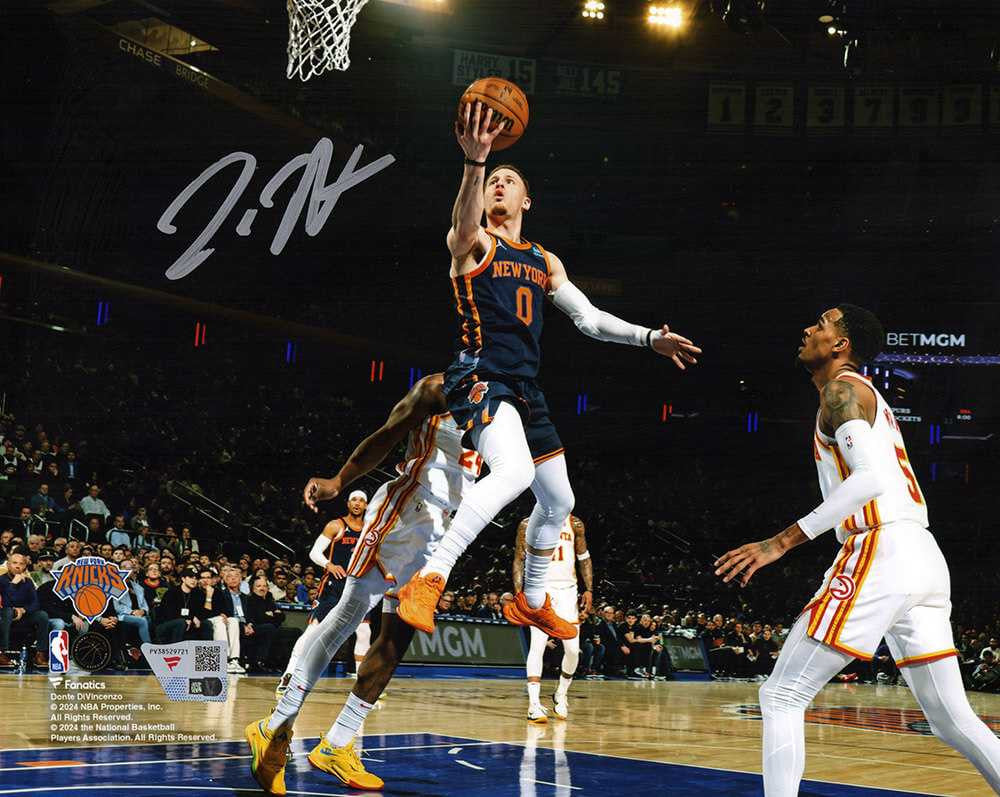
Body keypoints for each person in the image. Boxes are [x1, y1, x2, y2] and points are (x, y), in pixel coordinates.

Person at [394, 102, 701, 638]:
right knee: (512, 474)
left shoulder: (543, 259)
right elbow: (461, 225)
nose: (499, 184)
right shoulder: (473, 243)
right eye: (493, 180)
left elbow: (589, 319)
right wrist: (475, 162)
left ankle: (532, 600)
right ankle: (430, 577)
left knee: (560, 501)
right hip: (481, 376)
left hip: (524, 387)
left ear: (526, 201)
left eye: (508, 180)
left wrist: (649, 337)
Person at [714, 304, 1000, 795]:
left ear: (841, 344)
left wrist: (780, 542)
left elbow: (868, 480)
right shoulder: (863, 395)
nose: (808, 329)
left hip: (882, 547)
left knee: (782, 694)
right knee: (953, 720)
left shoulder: (841, 390)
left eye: (821, 325)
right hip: (922, 555)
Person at [247, 374, 482, 795]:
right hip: (406, 510)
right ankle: (276, 725)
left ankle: (337, 743)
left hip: (445, 528)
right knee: (347, 616)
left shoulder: (504, 399)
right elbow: (386, 435)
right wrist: (340, 481)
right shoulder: (437, 388)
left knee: (398, 637)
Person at [277, 491, 368, 684]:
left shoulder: (369, 530)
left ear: (366, 505)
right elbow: (315, 553)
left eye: (361, 500)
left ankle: (363, 682)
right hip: (333, 586)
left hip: (357, 587)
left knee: (364, 631)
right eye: (354, 499)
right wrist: (329, 565)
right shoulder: (336, 525)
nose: (357, 503)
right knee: (313, 630)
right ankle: (289, 674)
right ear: (348, 503)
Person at [514, 513, 592, 722]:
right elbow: (519, 559)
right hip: (539, 589)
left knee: (573, 650)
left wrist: (589, 589)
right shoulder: (527, 524)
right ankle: (533, 705)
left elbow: (584, 558)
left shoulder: (574, 523)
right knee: (537, 646)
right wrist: (518, 593)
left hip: (568, 591)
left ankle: (561, 693)